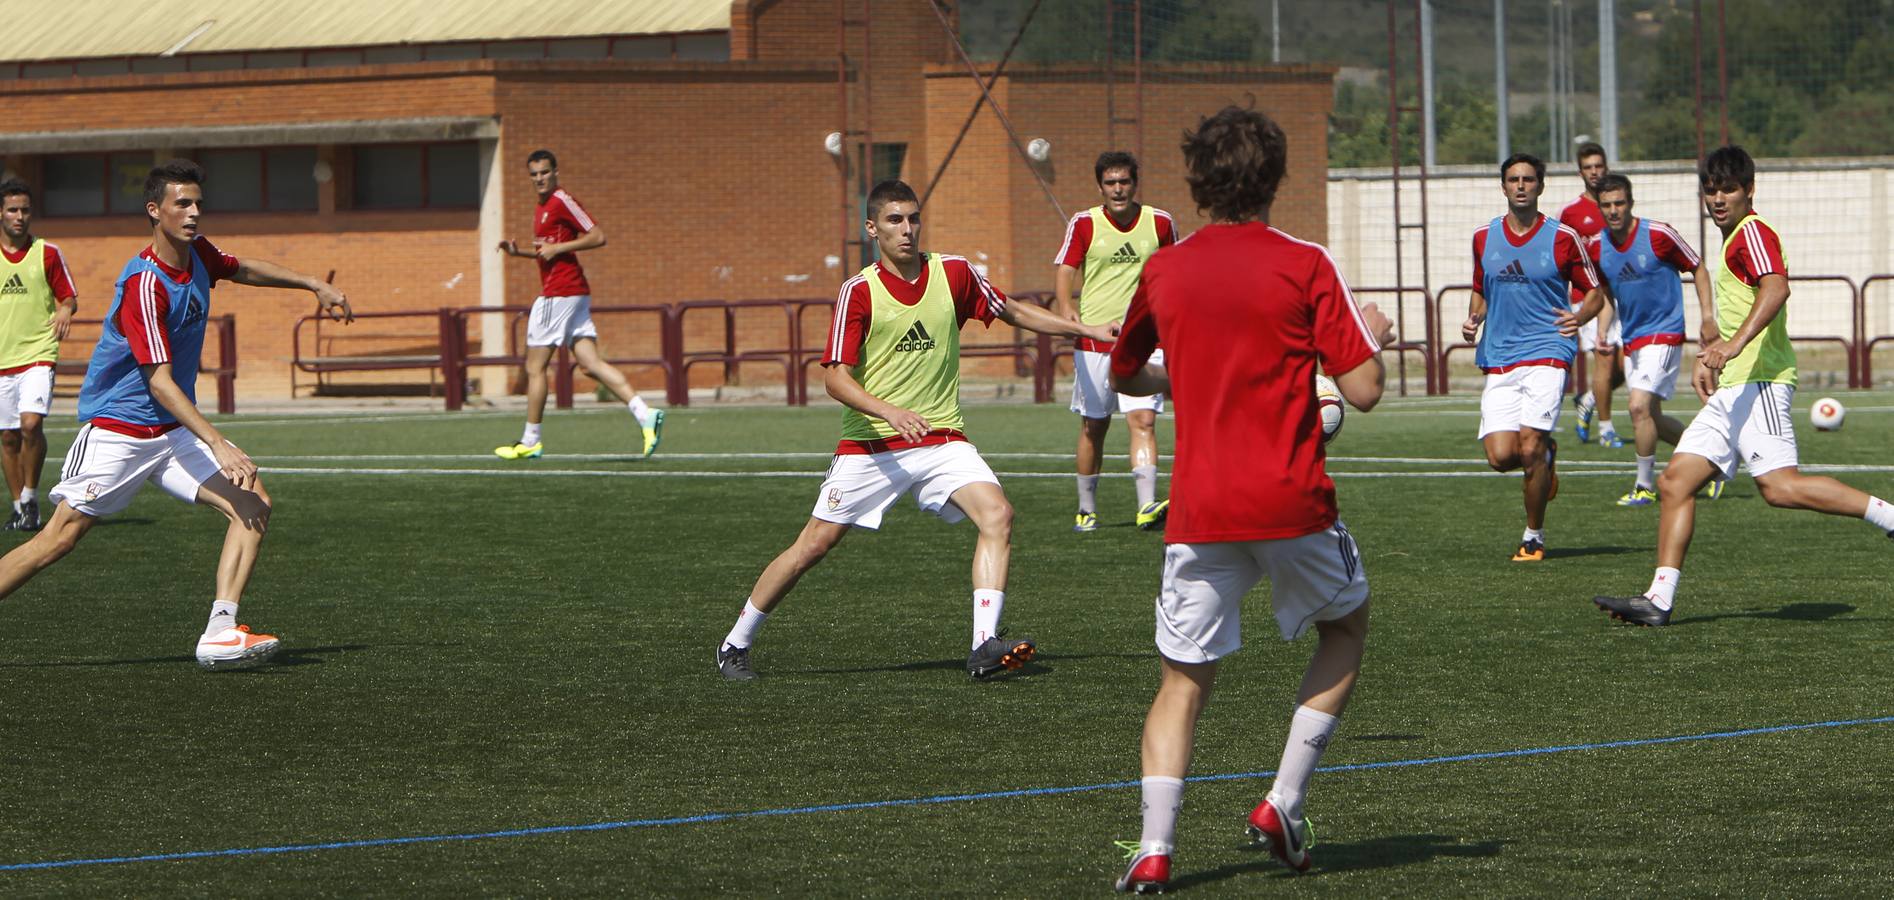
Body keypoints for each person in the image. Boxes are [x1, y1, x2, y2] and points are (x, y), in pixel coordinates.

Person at [1109, 105, 1395, 893]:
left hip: (1201, 512)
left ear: (1197, 180)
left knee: (1181, 681)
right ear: (1274, 178)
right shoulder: (1305, 263)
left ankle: (1156, 848)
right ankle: (1284, 801)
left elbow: (1127, 375)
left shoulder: (1163, 269)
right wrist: (1371, 333)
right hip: (1293, 502)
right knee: (1344, 629)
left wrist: (1185, 374)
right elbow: (1364, 390)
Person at [714, 180, 1115, 682]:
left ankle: (984, 646)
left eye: (913, 219)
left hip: (942, 439)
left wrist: (1087, 330)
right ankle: (735, 642)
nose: (906, 229)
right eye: (894, 220)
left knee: (999, 514)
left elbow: (1011, 309)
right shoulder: (859, 290)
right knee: (813, 546)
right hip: (872, 445)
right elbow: (835, 377)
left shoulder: (954, 273)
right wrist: (889, 412)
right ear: (872, 228)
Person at [0, 160, 354, 668]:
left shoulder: (198, 255)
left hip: (170, 432)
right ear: (154, 210)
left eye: (197, 204)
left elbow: (242, 268)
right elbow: (158, 380)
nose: (193, 213)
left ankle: (220, 630)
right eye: (182, 204)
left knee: (252, 504)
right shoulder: (145, 284)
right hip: (118, 432)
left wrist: (312, 284)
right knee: (57, 540)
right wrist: (218, 441)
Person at [1594, 146, 1894, 627]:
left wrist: (1732, 345)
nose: (1717, 197)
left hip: (1762, 382)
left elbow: (1776, 287)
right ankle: (1659, 599)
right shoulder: (1732, 237)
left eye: (1728, 188)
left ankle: (1889, 517)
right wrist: (1710, 356)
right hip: (1733, 386)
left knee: (1780, 488)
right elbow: (1741, 305)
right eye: (1710, 189)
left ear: (1749, 190)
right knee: (1674, 483)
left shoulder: (1751, 232)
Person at [1462, 153, 1605, 562]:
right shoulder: (1483, 238)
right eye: (1513, 179)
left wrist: (1579, 317)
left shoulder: (1564, 237)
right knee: (1501, 457)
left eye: (1528, 179)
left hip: (1548, 350)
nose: (1521, 185)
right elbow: (1480, 289)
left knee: (1529, 448)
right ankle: (1547, 455)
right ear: (1503, 186)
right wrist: (1474, 319)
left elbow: (1595, 291)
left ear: (1541, 186)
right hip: (1501, 354)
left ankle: (1533, 536)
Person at [493, 149, 662, 460]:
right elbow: (550, 253)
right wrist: (521, 254)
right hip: (573, 293)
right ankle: (644, 413)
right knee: (590, 364)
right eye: (534, 174)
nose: (539, 179)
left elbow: (598, 236)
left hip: (560, 294)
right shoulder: (541, 208)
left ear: (555, 172)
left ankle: (531, 440)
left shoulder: (562, 200)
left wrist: (561, 246)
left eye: (544, 172)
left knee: (535, 367)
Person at [1052, 152, 1178, 532]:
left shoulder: (1160, 222)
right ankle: (1086, 509)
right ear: (1100, 187)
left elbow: (1175, 273)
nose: (1118, 189)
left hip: (1144, 341)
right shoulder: (1084, 223)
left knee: (1143, 420)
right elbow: (1066, 268)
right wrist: (1065, 307)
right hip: (1093, 343)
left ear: (1135, 184)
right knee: (1095, 426)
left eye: (1124, 181)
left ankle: (1146, 506)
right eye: (1111, 183)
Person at [1586, 174, 1715, 507]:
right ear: (1599, 207)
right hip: (1632, 340)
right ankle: (1713, 462)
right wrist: (1603, 330)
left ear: (1631, 203)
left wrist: (1707, 318)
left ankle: (1644, 486)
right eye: (1607, 205)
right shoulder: (1597, 247)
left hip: (1665, 332)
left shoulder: (1659, 234)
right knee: (1651, 419)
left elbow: (1698, 268)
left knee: (1637, 406)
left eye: (1619, 203)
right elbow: (1607, 294)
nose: (1614, 210)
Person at [0, 180, 77, 532]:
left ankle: (31, 495)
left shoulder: (47, 253)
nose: (19, 216)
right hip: (2, 359)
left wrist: (64, 311)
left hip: (37, 353)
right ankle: (20, 508)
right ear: (1, 213)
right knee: (8, 437)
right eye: (13, 210)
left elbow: (68, 297)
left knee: (31, 424)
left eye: (25, 210)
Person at [1561, 142, 1626, 448]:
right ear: (1581, 172)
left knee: (1626, 368)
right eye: (1588, 167)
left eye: (1599, 166)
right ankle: (1606, 429)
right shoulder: (1571, 213)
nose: (1594, 172)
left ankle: (1587, 400)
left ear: (1606, 167)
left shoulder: (1615, 205)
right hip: (1589, 295)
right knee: (1604, 357)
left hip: (1617, 295)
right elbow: (1561, 258)